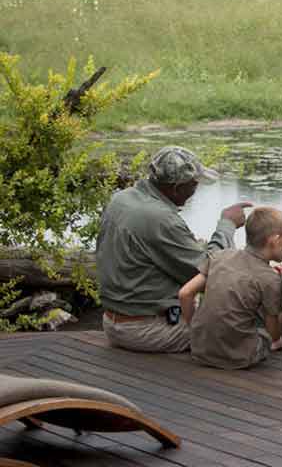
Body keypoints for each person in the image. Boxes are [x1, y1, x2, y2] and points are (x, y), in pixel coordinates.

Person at [97, 145, 251, 353]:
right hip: (147, 330)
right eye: (194, 184)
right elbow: (213, 270)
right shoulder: (161, 219)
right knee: (244, 328)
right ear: (177, 188)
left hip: (113, 322)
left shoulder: (122, 199)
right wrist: (227, 224)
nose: (195, 190)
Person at [181, 206, 282, 370]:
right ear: (274, 241)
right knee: (275, 330)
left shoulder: (220, 256)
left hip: (199, 350)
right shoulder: (270, 278)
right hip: (238, 357)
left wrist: (193, 328)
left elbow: (185, 293)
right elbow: (272, 331)